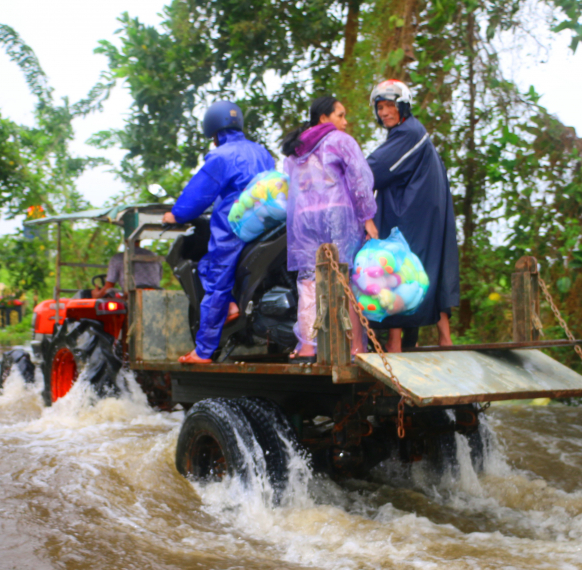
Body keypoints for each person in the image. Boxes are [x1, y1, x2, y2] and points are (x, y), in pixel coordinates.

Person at [162, 100, 275, 363]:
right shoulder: (261, 151)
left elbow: (198, 195)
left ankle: (203, 351)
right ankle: (234, 304)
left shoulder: (220, 156)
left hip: (236, 224)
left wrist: (175, 214)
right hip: (268, 220)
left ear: (214, 132)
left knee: (212, 274)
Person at [366, 79, 460, 351]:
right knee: (429, 268)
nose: (384, 112)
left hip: (413, 214)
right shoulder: (412, 132)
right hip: (426, 212)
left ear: (403, 106)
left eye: (389, 106)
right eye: (380, 107)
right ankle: (442, 339)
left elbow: (370, 172)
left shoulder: (408, 133)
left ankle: (396, 342)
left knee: (399, 269)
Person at [282, 96, 378, 361]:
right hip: (337, 217)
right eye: (340, 115)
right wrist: (368, 217)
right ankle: (355, 347)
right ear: (324, 118)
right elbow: (360, 179)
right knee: (347, 279)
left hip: (304, 221)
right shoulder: (340, 141)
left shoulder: (296, 150)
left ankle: (307, 346)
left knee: (309, 280)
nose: (345, 122)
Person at [91, 240, 160, 299]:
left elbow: (109, 286)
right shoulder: (154, 256)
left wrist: (97, 294)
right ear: (140, 239)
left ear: (126, 240)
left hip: (132, 296)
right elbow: (159, 277)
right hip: (156, 294)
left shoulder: (118, 258)